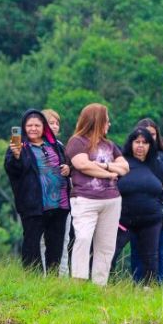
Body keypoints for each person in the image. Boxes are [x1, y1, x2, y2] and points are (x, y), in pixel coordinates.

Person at [65, 103, 129, 286]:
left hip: (111, 200)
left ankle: (99, 285)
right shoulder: (77, 141)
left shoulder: (110, 145)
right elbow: (82, 165)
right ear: (97, 121)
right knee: (83, 238)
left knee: (106, 245)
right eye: (106, 120)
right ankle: (79, 281)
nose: (109, 124)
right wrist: (110, 174)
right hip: (85, 199)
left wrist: (105, 166)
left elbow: (125, 167)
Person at [5, 109, 70, 272]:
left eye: (37, 125)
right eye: (29, 125)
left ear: (44, 127)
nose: (33, 128)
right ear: (23, 127)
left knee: (55, 246)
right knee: (32, 244)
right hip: (33, 205)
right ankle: (32, 279)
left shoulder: (55, 145)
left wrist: (68, 168)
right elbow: (12, 170)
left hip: (59, 204)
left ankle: (52, 282)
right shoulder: (19, 147)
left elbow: (66, 164)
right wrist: (17, 156)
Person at [113, 127, 163, 284]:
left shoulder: (155, 164)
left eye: (144, 142)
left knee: (151, 256)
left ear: (150, 145)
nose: (140, 146)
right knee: (111, 252)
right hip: (123, 218)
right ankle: (103, 284)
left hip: (151, 218)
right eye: (137, 142)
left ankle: (149, 288)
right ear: (131, 143)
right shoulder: (123, 163)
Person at [129, 118, 163, 281]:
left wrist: (161, 195)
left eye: (153, 134)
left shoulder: (162, 158)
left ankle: (158, 286)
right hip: (133, 210)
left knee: (157, 250)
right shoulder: (129, 159)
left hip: (157, 209)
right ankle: (137, 284)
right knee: (136, 249)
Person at [39, 108, 73, 277]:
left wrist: (68, 168)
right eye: (50, 123)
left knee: (63, 240)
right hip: (42, 201)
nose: (54, 126)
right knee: (42, 241)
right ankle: (43, 275)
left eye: (56, 123)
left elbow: (69, 166)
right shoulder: (33, 145)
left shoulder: (60, 146)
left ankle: (62, 276)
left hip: (62, 200)